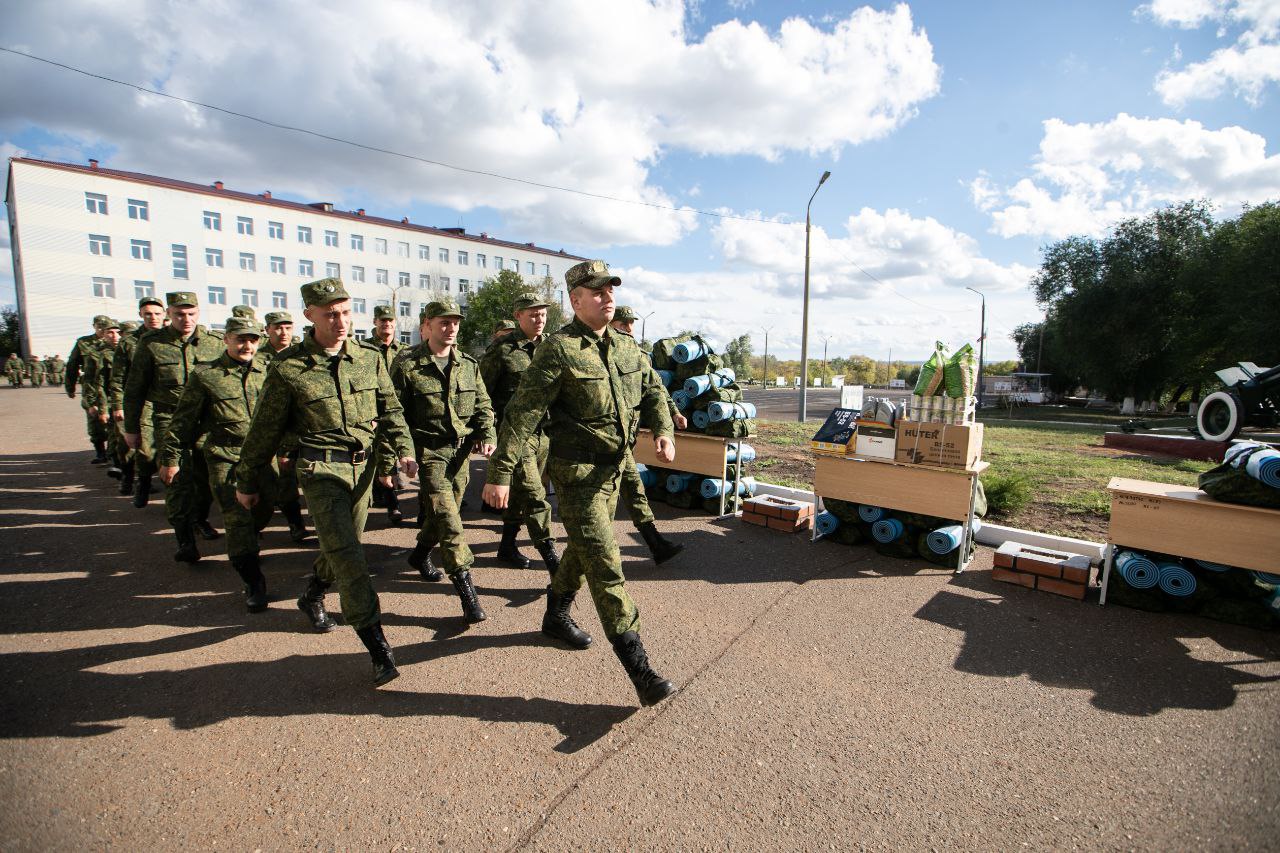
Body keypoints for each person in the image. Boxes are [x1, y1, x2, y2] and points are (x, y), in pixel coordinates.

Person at [482, 259, 678, 707]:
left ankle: (554, 614)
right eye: (597, 291)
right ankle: (641, 670)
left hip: (613, 472)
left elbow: (652, 393)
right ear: (575, 300)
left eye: (610, 290)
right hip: (576, 477)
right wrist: (501, 473)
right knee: (607, 564)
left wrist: (662, 429)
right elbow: (523, 413)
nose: (608, 297)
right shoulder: (558, 349)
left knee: (583, 550)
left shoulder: (628, 348)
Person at [234, 278, 417, 687]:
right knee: (351, 558)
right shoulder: (289, 368)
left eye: (346, 312)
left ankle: (312, 592)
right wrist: (246, 479)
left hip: (363, 469)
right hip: (321, 472)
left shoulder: (369, 358)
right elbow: (263, 431)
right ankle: (377, 646)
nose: (340, 321)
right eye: (330, 314)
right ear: (309, 316)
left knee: (343, 543)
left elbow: (390, 409)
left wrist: (403, 448)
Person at [159, 317, 278, 612]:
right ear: (225, 339)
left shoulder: (271, 370)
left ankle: (250, 537)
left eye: (252, 339)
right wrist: (170, 457)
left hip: (265, 457)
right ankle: (253, 581)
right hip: (226, 456)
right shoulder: (206, 375)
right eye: (240, 338)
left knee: (266, 507)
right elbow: (183, 421)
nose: (246, 344)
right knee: (237, 517)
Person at [397, 298, 496, 622]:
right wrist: (402, 452)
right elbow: (393, 413)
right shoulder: (407, 363)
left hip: (461, 453)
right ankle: (467, 591)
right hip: (430, 454)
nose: (451, 327)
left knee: (443, 512)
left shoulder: (468, 363)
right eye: (443, 321)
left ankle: (419, 554)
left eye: (455, 321)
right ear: (427, 325)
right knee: (450, 522)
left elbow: (482, 404)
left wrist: (487, 436)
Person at [122, 292, 224, 562]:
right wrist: (131, 427)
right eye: (179, 314)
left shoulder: (214, 344)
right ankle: (184, 540)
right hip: (169, 420)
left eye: (191, 313)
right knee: (177, 480)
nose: (186, 319)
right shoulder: (152, 344)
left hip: (207, 421)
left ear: (199, 313)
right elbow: (135, 388)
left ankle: (199, 519)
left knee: (204, 480)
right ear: (169, 314)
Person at [479, 290, 559, 574]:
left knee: (519, 494)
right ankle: (552, 559)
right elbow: (483, 394)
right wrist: (485, 432)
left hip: (545, 434)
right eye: (533, 314)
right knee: (535, 495)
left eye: (543, 314)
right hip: (514, 434)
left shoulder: (552, 346)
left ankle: (506, 546)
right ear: (518, 316)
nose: (539, 319)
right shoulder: (502, 350)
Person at [609, 305, 685, 565]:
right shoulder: (597, 351)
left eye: (631, 323)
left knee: (634, 488)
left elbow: (656, 388)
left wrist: (673, 414)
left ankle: (655, 543)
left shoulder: (639, 355)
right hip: (598, 441)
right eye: (623, 323)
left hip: (623, 441)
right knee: (601, 505)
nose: (629, 328)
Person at [110, 297, 168, 502]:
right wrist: (117, 405)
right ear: (141, 315)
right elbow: (117, 378)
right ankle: (139, 480)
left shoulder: (170, 338)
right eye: (148, 314)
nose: (153, 317)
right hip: (141, 401)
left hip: (167, 400)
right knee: (142, 447)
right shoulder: (129, 342)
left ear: (165, 314)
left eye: (157, 313)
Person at [259, 310, 309, 542]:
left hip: (304, 426)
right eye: (278, 327)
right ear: (267, 329)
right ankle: (295, 523)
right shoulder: (258, 358)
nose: (283, 332)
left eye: (288, 327)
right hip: (277, 429)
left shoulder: (302, 355)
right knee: (284, 480)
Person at [362, 305, 407, 526]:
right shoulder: (364, 349)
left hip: (398, 410)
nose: (386, 324)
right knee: (377, 455)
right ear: (375, 322)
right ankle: (386, 502)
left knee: (392, 452)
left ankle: (392, 502)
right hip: (373, 410)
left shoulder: (404, 350)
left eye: (390, 320)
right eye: (382, 320)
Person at [81, 318, 126, 480]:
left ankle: (122, 467)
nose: (114, 336)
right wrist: (94, 404)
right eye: (110, 332)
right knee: (117, 434)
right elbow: (94, 382)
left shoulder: (131, 349)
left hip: (130, 399)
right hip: (110, 400)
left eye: (117, 332)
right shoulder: (96, 354)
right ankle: (118, 467)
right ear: (103, 335)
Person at [65, 316, 114, 463]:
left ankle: (114, 454)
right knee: (95, 420)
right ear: (94, 326)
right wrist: (70, 387)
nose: (102, 329)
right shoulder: (83, 343)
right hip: (91, 386)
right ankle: (100, 452)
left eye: (106, 327)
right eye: (99, 326)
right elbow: (72, 365)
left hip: (111, 386)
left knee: (115, 422)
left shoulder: (116, 340)